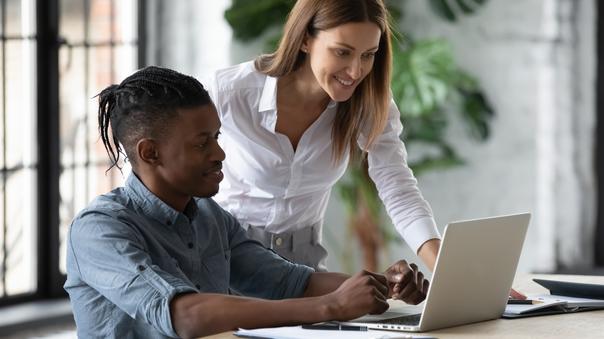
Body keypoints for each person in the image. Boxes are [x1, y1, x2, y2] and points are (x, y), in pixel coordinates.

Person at [64, 66, 430, 338]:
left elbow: (290, 282)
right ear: (150, 152)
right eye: (201, 142)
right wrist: (332, 306)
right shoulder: (99, 229)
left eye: (217, 136)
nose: (220, 153)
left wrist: (381, 284)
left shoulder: (210, 216)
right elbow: (184, 315)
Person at [206, 0, 441, 272]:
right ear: (306, 39)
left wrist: (448, 272)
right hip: (223, 261)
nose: (355, 71)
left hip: (304, 271)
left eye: (368, 55)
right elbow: (171, 174)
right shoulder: (228, 92)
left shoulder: (369, 102)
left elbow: (398, 188)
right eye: (342, 52)